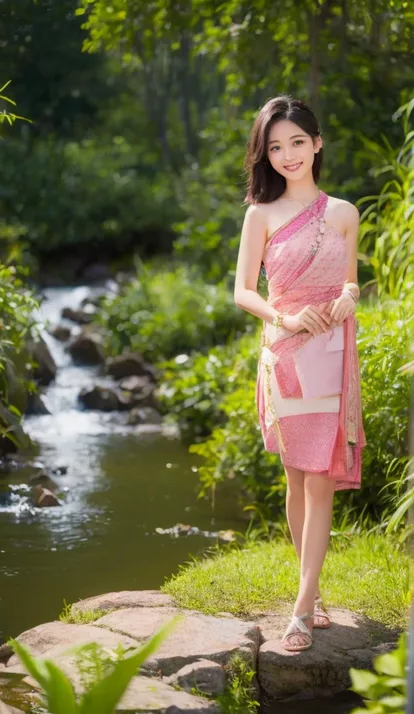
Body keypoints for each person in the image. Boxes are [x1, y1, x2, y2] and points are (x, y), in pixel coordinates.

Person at [233, 95, 366, 652]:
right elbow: (242, 291)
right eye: (276, 147)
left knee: (319, 478)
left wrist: (348, 297)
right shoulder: (260, 214)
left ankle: (303, 609)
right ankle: (311, 592)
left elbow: (352, 284)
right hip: (285, 353)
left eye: (297, 143)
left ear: (317, 144)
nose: (288, 155)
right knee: (296, 476)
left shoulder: (343, 213)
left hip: (332, 351)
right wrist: (284, 315)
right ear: (266, 155)